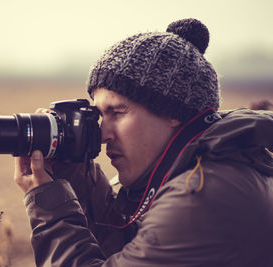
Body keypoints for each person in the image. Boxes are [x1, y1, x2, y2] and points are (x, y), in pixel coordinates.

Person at [14, 18, 273, 266]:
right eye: (100, 115)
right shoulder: (210, 168)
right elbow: (135, 250)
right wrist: (72, 175)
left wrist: (49, 208)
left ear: (173, 111)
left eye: (117, 112)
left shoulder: (199, 195)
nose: (103, 135)